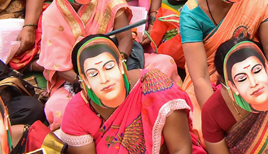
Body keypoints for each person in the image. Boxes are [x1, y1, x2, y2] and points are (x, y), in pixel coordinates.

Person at [39, 0, 177, 128]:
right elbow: (58, 66)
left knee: (165, 64)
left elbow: (125, 37)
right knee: (57, 108)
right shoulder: (51, 15)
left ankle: (148, 114)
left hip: (119, 66)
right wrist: (90, 82)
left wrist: (118, 71)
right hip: (79, 78)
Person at [58, 34, 202, 152]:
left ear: (121, 65)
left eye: (109, 67)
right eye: (93, 74)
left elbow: (180, 149)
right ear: (84, 81)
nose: (104, 79)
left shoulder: (157, 88)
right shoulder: (77, 112)